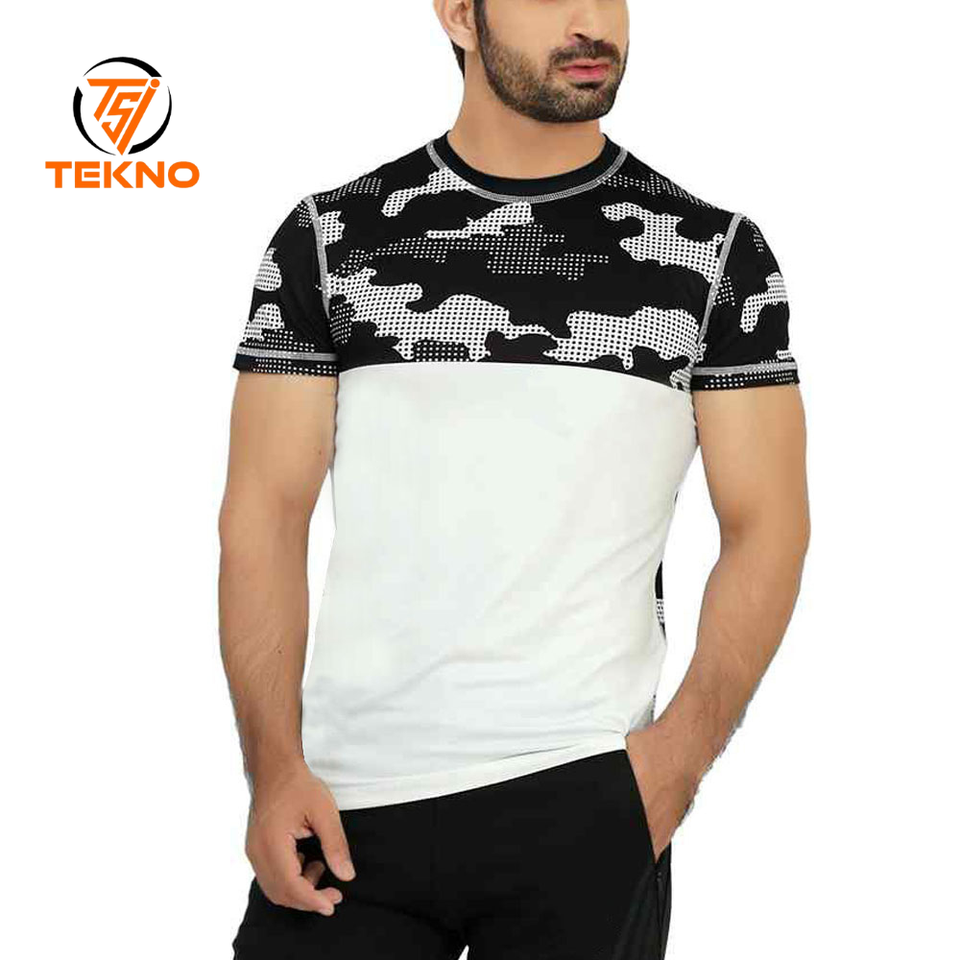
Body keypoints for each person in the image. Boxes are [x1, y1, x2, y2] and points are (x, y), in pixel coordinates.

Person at [218, 1, 810, 956]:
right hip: (344, 806)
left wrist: (670, 771)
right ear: (461, 13)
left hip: (585, 794)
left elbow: (768, 525)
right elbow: (264, 515)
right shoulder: (331, 241)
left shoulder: (713, 257)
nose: (590, 21)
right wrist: (272, 766)